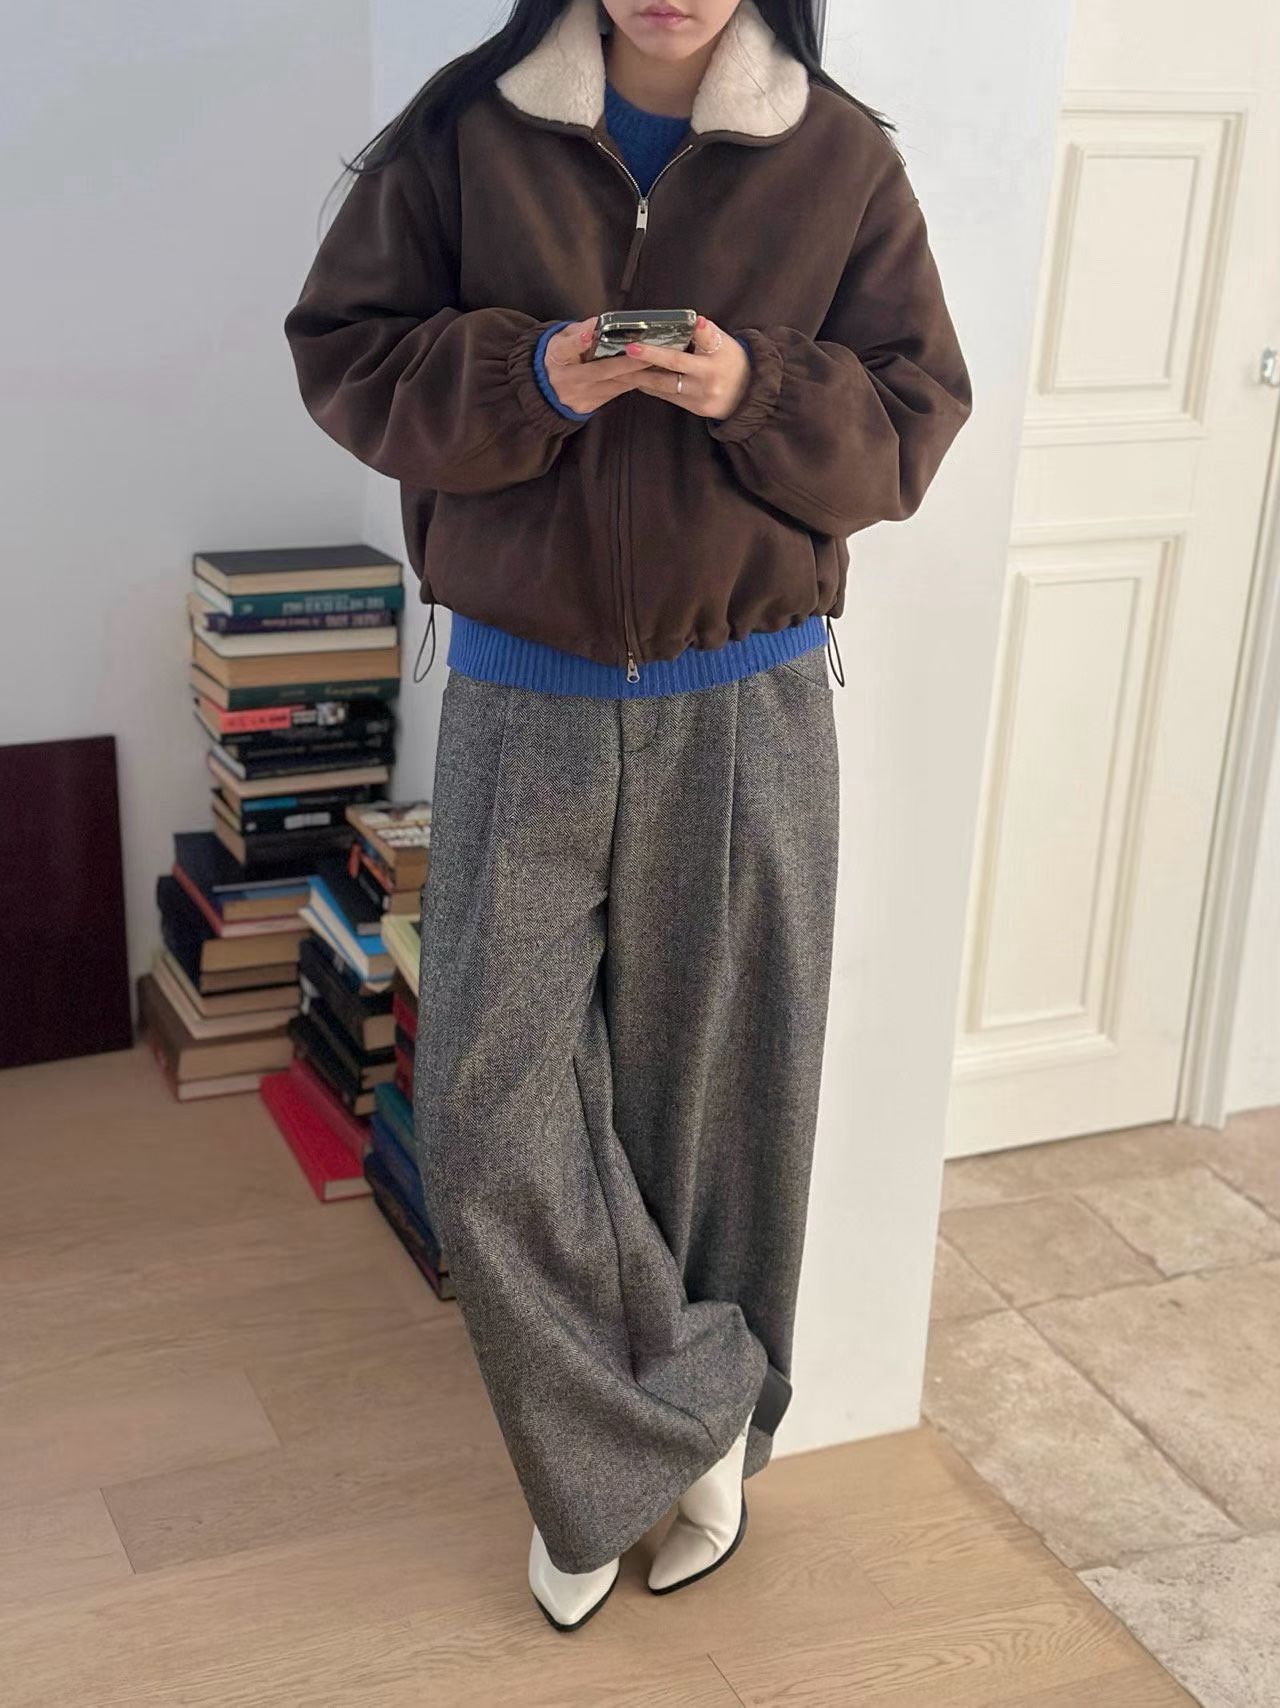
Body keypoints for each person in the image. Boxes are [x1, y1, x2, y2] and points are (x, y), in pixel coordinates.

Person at [283, 0, 971, 1633]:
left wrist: (752, 385)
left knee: (715, 1103)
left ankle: (655, 1448)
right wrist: (530, 374)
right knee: (485, 1107)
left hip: (749, 699)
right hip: (525, 692)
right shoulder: (467, 130)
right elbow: (346, 357)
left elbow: (909, 426)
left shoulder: (839, 156)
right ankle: (666, 1431)